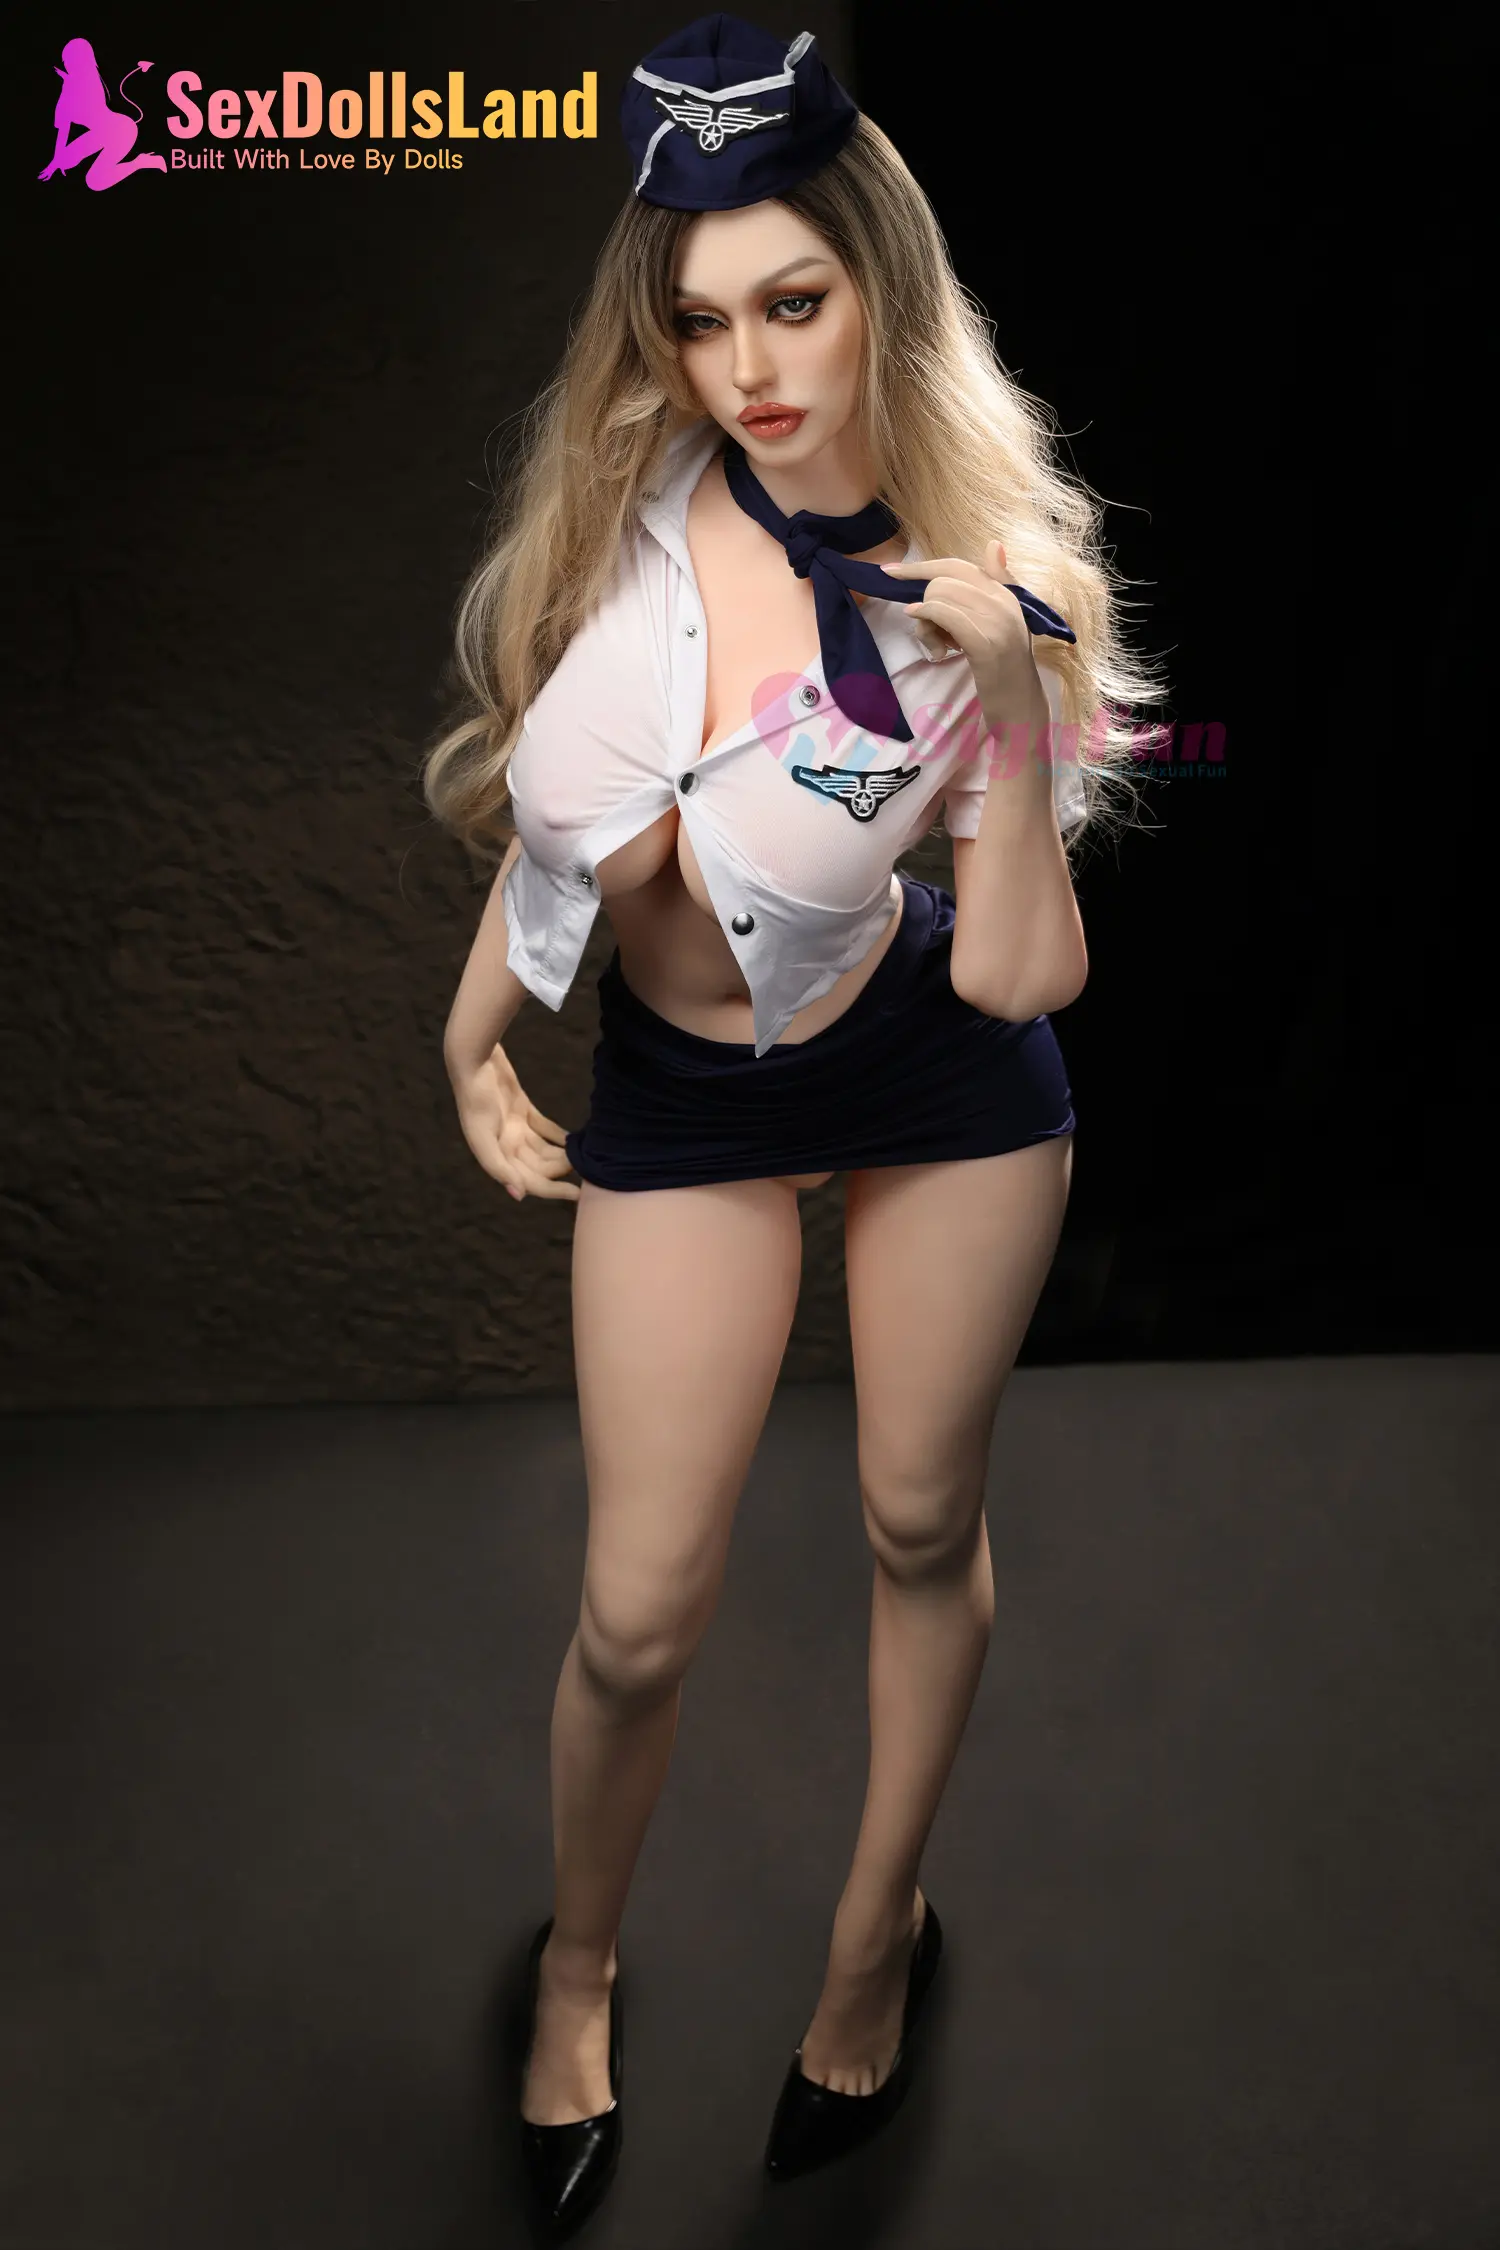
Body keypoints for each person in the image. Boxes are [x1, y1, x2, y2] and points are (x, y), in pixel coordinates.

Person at [423, 14, 1157, 2235]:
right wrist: (470, 1043)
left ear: (878, 289)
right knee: (639, 1611)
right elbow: (561, 833)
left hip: (940, 1075)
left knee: (920, 1517)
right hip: (684, 1095)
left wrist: (1014, 687)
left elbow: (1020, 974)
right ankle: (577, 1966)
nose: (746, 366)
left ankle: (872, 1941)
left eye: (795, 302)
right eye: (700, 317)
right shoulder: (633, 510)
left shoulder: (998, 582)